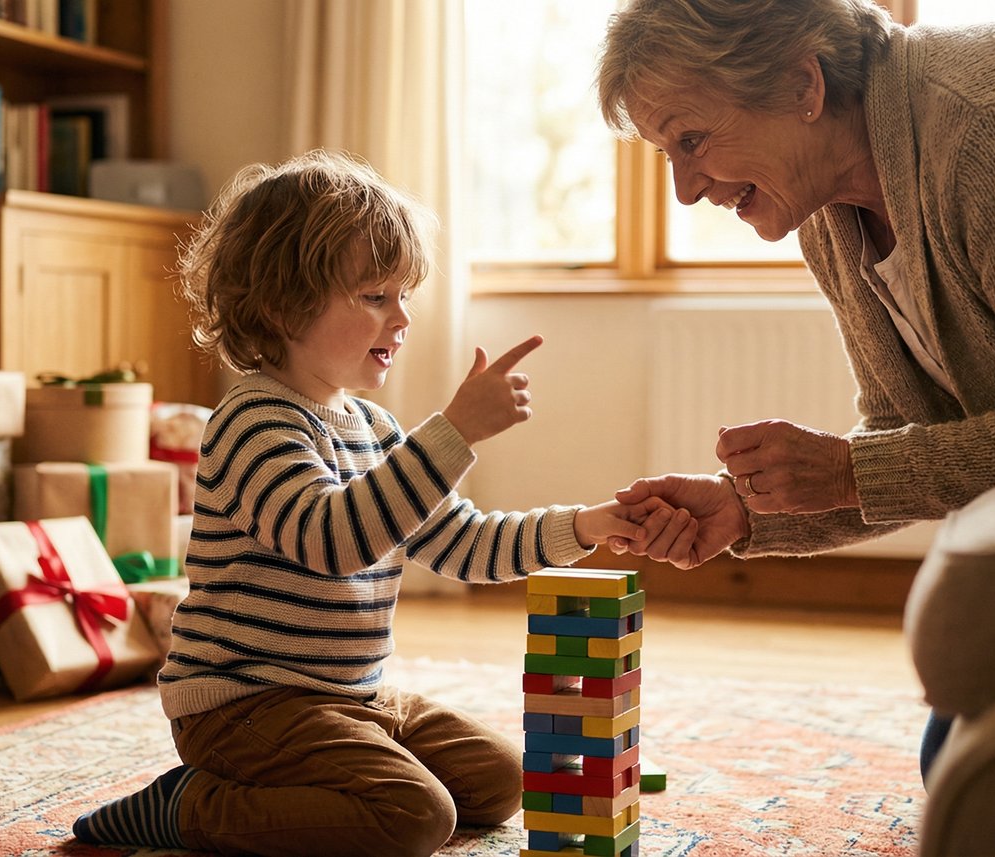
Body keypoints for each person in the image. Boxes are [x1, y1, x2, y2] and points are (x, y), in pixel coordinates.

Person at [593, 0, 995, 778]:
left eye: (692, 140)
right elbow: (905, 429)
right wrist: (742, 509)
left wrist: (845, 470)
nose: (686, 191)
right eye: (668, 154)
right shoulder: (829, 208)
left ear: (803, 84)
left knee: (987, 766)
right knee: (963, 764)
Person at [70, 149, 664, 856]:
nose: (404, 317)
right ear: (282, 306)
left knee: (502, 780)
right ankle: (190, 807)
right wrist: (454, 432)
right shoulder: (253, 421)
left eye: (403, 294)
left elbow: (464, 543)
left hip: (351, 695)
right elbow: (332, 540)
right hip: (244, 703)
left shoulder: (376, 431)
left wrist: (590, 525)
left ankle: (316, 775)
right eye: (376, 296)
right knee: (415, 817)